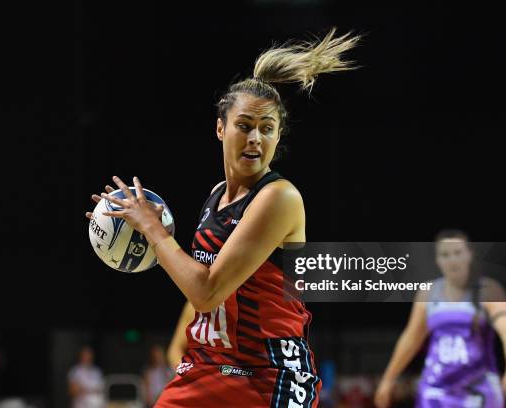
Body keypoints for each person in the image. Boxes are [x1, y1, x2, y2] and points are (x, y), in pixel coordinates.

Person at [86, 28, 360, 407]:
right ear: (221, 128)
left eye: (267, 130)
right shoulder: (217, 196)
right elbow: (202, 280)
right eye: (244, 126)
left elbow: (207, 290)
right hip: (210, 366)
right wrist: (179, 345)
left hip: (268, 374)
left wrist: (151, 228)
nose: (255, 139)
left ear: (278, 138)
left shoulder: (279, 198)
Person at [374, 230, 506, 408]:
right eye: (445, 255)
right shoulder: (427, 293)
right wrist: (388, 379)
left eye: (457, 253)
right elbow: (411, 339)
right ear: (437, 260)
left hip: (478, 388)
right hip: (436, 389)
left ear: (470, 254)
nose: (452, 260)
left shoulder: (489, 290)